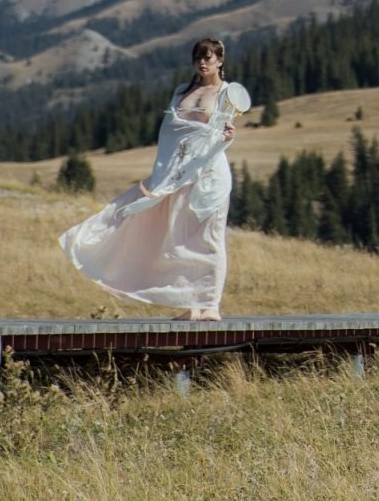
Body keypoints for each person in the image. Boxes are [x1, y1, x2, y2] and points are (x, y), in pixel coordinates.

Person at [57, 37, 251, 320]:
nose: (202, 62)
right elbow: (169, 134)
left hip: (208, 176)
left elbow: (219, 138)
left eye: (208, 58)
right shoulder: (181, 91)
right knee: (174, 237)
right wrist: (162, 173)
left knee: (208, 238)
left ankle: (211, 304)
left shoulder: (225, 94)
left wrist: (227, 139)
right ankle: (192, 305)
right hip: (175, 173)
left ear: (220, 61)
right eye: (198, 57)